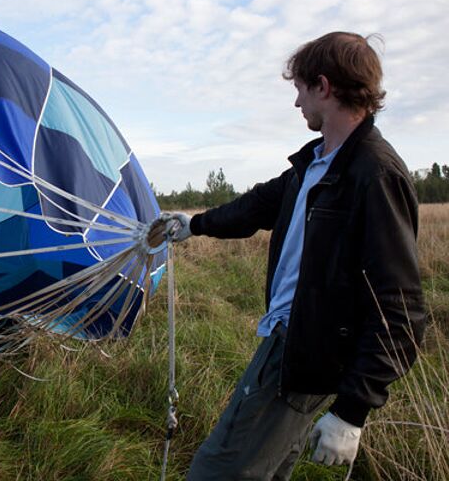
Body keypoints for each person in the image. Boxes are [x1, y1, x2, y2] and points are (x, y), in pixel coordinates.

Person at [154, 32, 426, 480]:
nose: (297, 103)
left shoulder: (373, 174)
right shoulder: (318, 163)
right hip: (293, 342)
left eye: (300, 89)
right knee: (265, 470)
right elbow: (257, 206)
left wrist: (353, 411)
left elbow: (401, 308)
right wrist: (196, 224)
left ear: (323, 86)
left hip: (302, 355)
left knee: (215, 470)